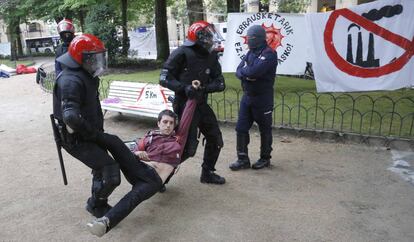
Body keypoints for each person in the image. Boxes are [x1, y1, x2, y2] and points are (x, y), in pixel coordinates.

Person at [86, 81, 201, 237]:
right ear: (158, 123)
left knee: (133, 198)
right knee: (114, 141)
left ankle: (105, 222)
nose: (168, 126)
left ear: (175, 126)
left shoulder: (178, 139)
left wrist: (193, 94)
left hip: (153, 181)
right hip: (138, 169)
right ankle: (83, 131)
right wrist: (137, 154)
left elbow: (187, 115)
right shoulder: (150, 137)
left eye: (171, 123)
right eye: (165, 122)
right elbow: (134, 149)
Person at [53, 33, 120, 218]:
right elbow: (71, 117)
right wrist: (93, 134)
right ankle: (95, 204)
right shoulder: (71, 80)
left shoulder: (83, 75)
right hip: (76, 137)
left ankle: (98, 204)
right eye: (93, 59)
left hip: (89, 133)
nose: (97, 63)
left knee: (101, 168)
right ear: (81, 58)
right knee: (110, 170)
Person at [160, 20, 226, 185]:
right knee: (185, 147)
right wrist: (184, 88)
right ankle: (160, 177)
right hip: (184, 105)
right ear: (199, 37)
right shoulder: (181, 53)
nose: (211, 39)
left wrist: (204, 88)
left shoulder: (211, 55)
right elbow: (164, 78)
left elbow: (220, 82)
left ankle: (208, 172)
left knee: (215, 138)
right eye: (208, 36)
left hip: (201, 104)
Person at [229, 25, 278, 171]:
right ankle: (242, 159)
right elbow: (239, 71)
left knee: (265, 129)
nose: (248, 41)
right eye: (248, 38)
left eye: (251, 38)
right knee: (241, 128)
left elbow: (255, 72)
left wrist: (248, 74)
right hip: (247, 97)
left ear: (259, 38)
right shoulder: (250, 53)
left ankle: (265, 158)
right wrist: (247, 74)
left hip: (263, 99)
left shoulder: (269, 54)